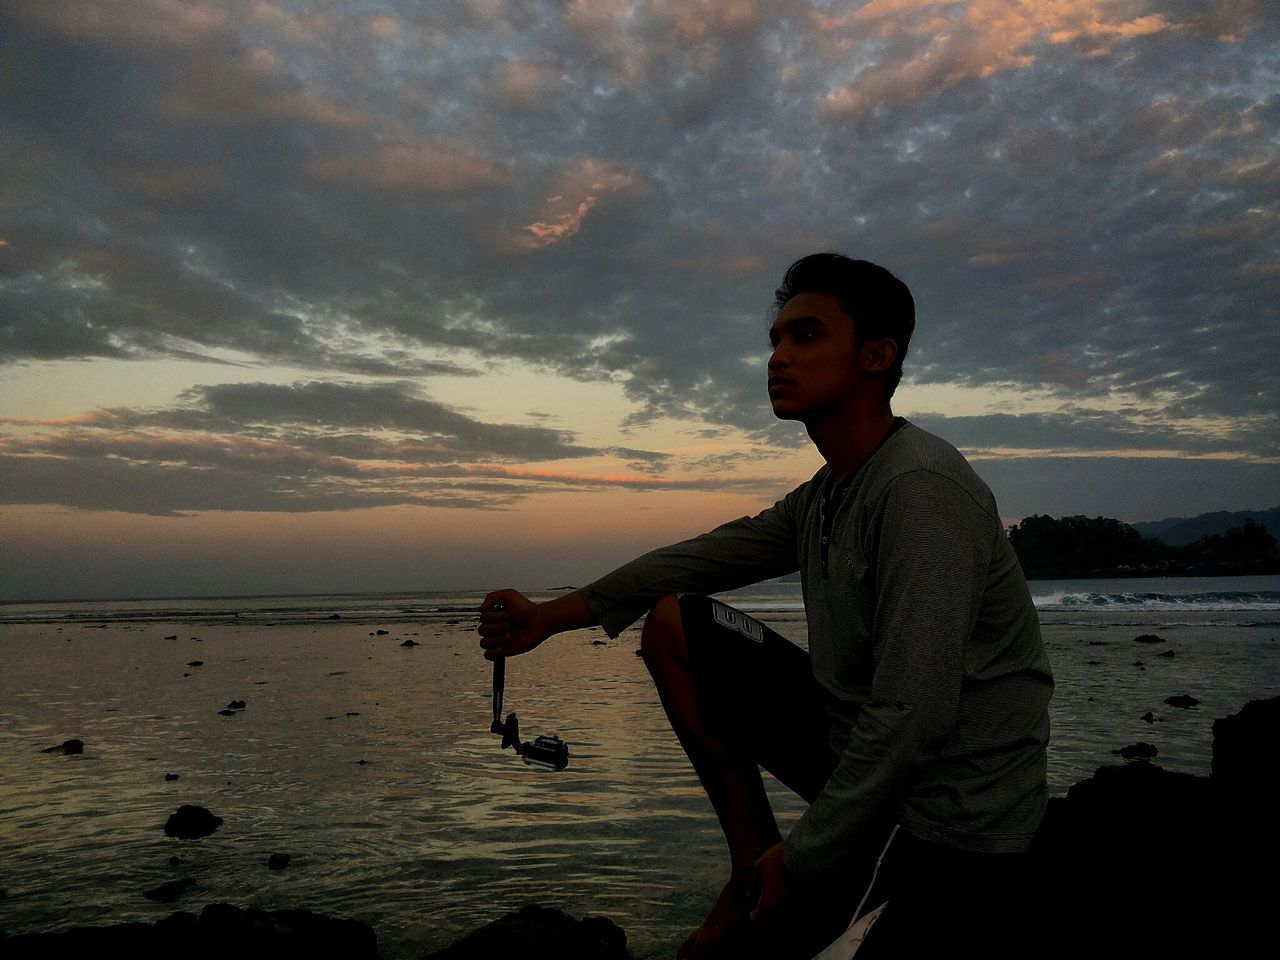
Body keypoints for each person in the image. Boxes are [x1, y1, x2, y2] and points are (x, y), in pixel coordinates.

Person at [478, 253, 1053, 959]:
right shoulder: (829, 491)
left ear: (877, 356)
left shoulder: (920, 492)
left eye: (805, 336)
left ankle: (786, 879)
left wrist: (807, 858)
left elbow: (914, 713)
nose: (777, 357)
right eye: (775, 339)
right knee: (674, 624)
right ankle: (750, 867)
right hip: (863, 760)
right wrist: (549, 617)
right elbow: (702, 558)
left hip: (949, 816)